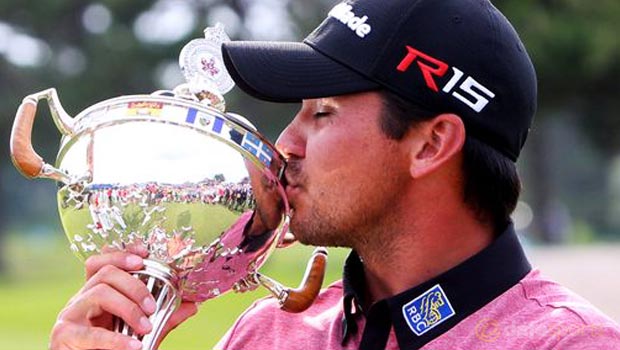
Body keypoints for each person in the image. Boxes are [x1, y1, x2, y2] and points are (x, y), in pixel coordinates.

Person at [49, 0, 620, 349]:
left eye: (322, 113)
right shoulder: (268, 333)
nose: (286, 145)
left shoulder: (569, 343)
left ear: (431, 144)